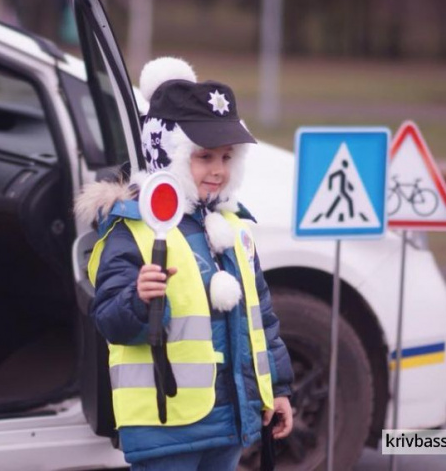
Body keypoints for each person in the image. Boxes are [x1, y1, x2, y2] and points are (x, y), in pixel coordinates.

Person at [75, 57, 294, 470]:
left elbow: (260, 320)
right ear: (168, 155)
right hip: (164, 426)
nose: (218, 171)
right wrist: (138, 298)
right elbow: (109, 318)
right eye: (204, 157)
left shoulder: (234, 230)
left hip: (228, 423)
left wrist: (276, 390)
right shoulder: (133, 228)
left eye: (227, 158)